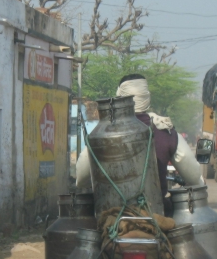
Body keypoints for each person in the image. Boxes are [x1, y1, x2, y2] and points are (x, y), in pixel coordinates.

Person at [76, 73, 205, 215]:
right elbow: (193, 177)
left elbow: (81, 178)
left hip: (109, 216)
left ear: (119, 95)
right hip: (155, 215)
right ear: (147, 97)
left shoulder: (102, 133)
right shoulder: (165, 132)